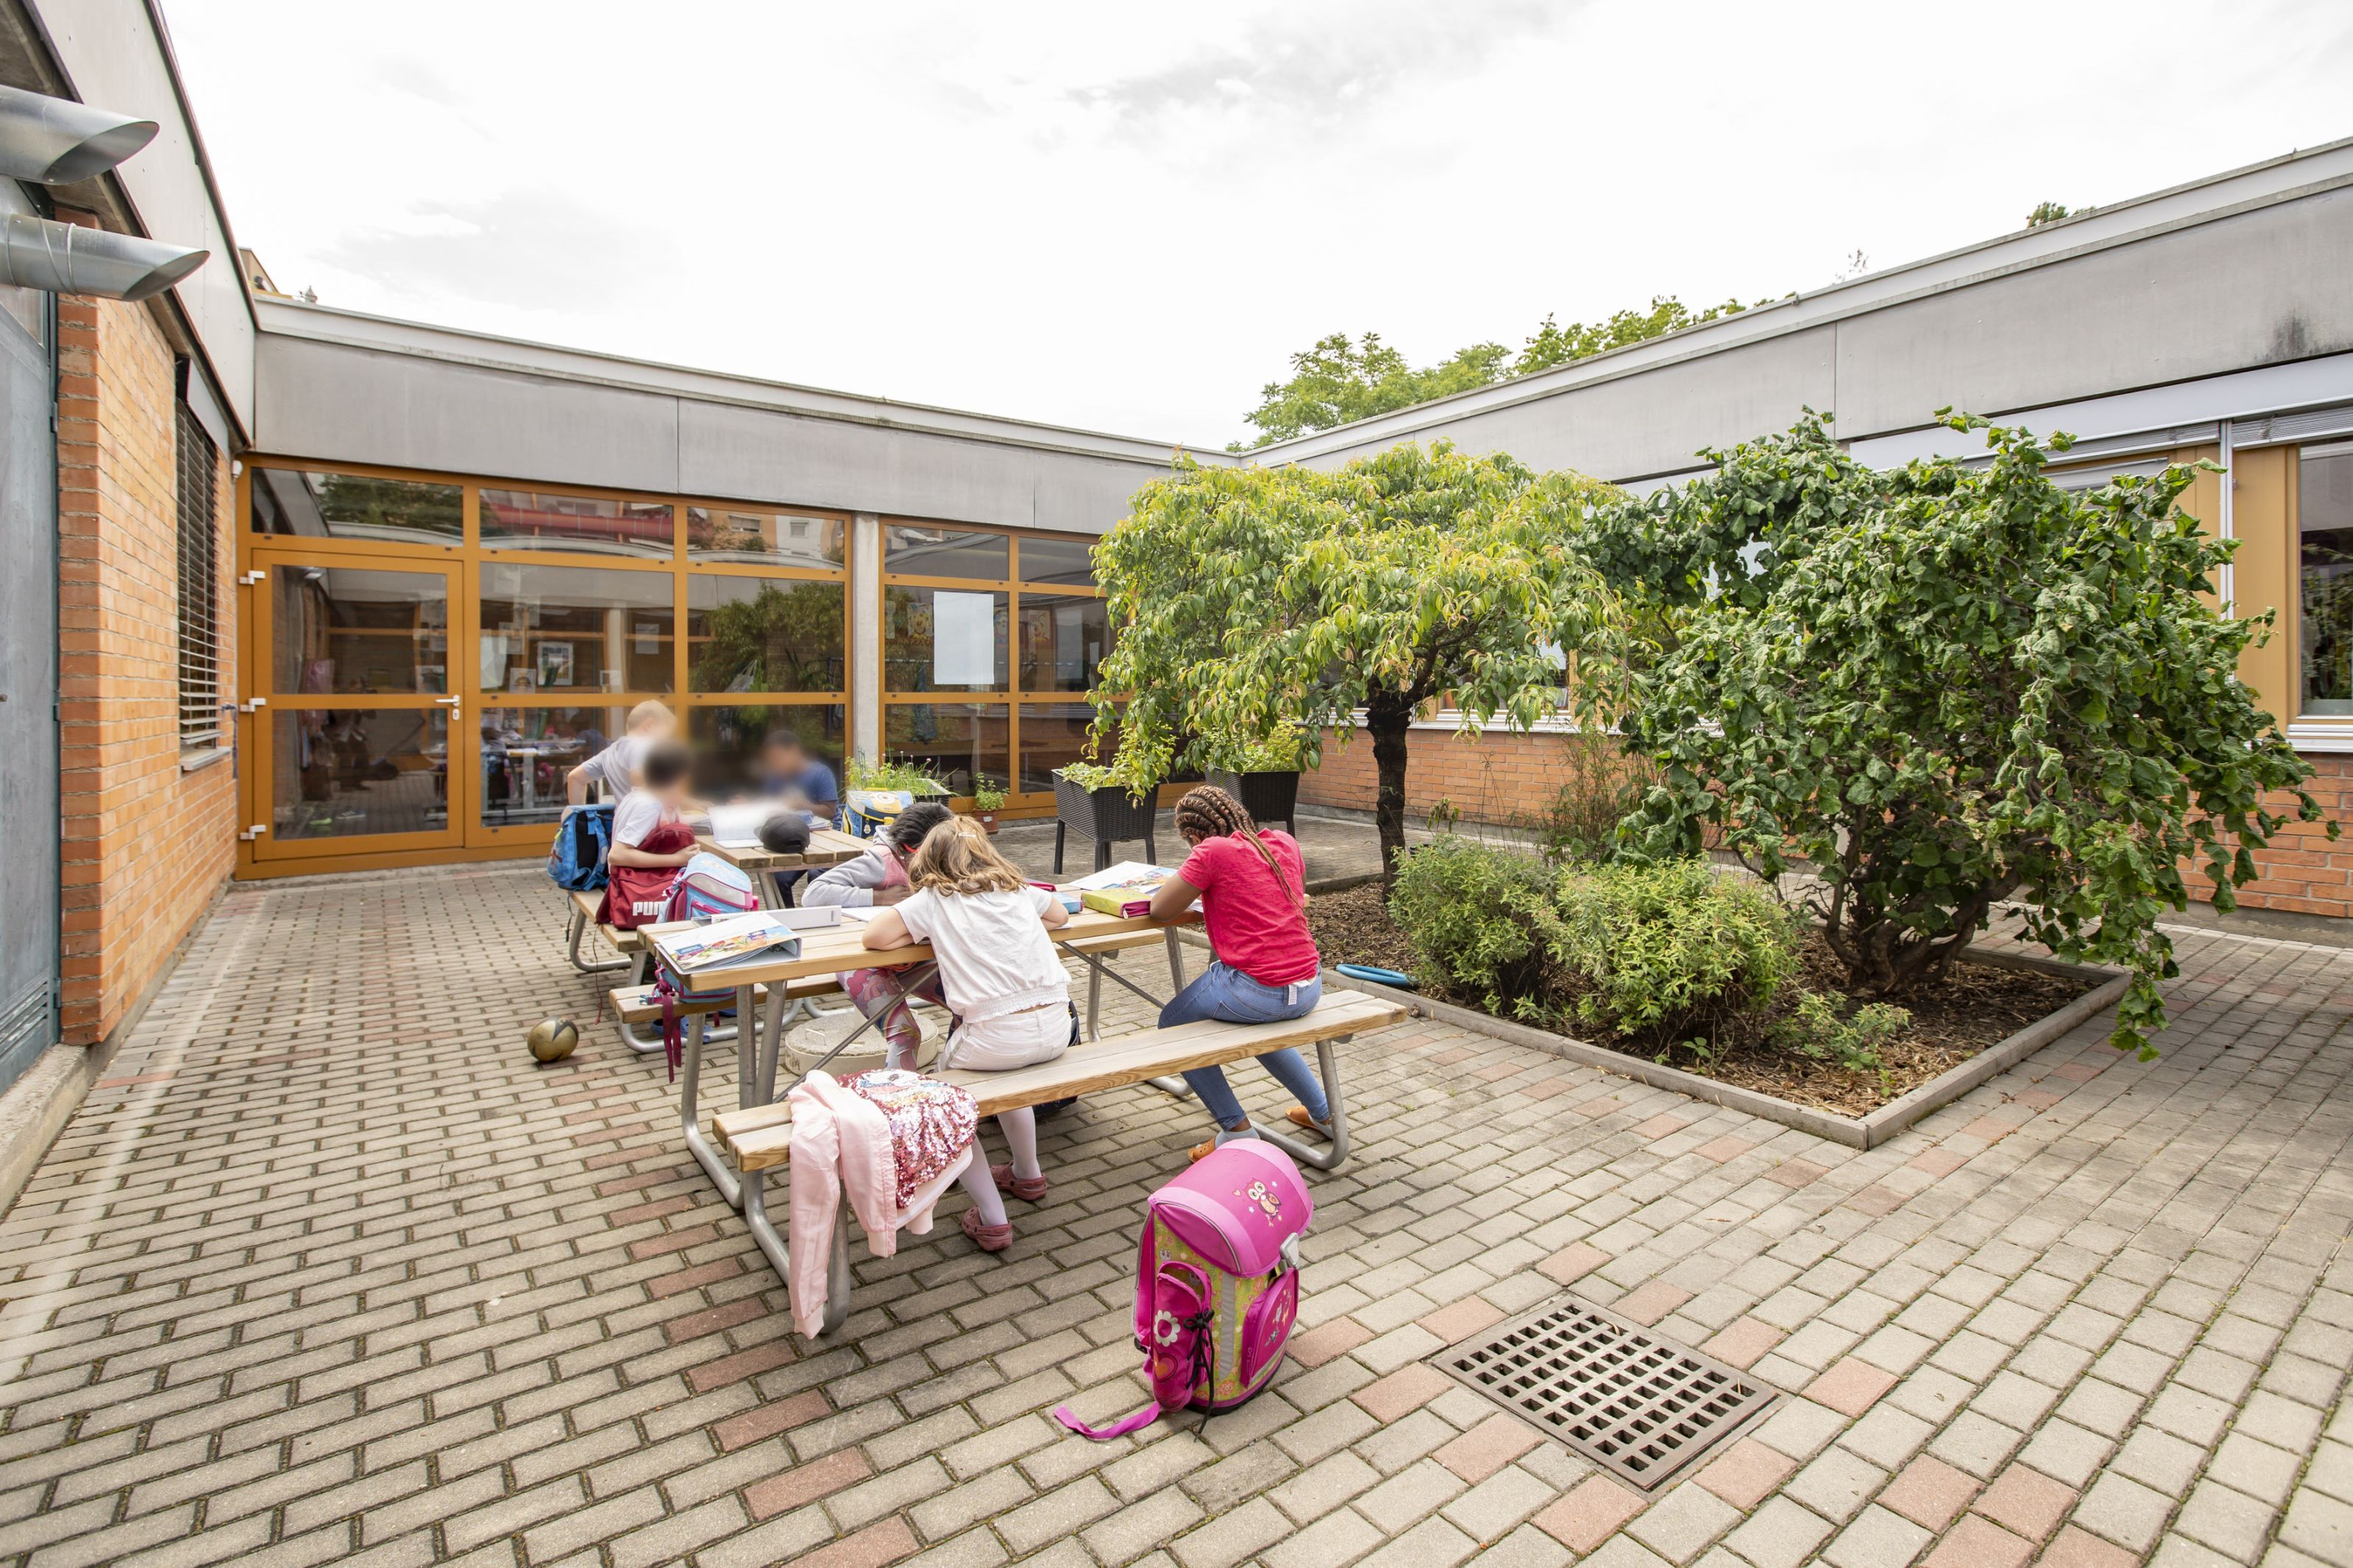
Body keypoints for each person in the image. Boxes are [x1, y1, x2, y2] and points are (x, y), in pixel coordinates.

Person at [860, 817, 1072, 1252]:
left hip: (995, 1038)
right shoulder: (1017, 890)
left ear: (929, 861)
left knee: (951, 1106)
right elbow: (1062, 913)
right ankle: (1027, 1173)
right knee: (1008, 1081)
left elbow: (874, 936)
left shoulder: (936, 900)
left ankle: (994, 1220)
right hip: (1056, 1029)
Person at [1147, 786, 1333, 1161]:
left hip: (1259, 991)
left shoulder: (1212, 851)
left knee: (1172, 1026)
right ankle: (1326, 1115)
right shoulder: (1283, 842)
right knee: (1256, 1026)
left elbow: (1160, 911)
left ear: (1195, 837)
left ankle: (1236, 1132)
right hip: (1309, 986)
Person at [807, 802, 957, 1065]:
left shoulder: (948, 856)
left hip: (915, 959)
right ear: (910, 849)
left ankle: (953, 1086)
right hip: (864, 962)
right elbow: (814, 894)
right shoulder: (880, 861)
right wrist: (877, 896)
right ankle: (900, 1100)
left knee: (967, 1011)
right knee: (905, 1034)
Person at [599, 740, 699, 927]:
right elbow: (617, 854)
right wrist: (676, 860)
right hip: (639, 890)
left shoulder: (641, 796)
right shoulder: (649, 805)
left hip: (642, 885)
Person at [567, 700, 677, 806]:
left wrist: (579, 818)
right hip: (651, 823)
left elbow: (575, 778)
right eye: (666, 735)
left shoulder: (610, 752)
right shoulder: (645, 745)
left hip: (623, 822)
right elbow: (639, 783)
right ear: (650, 725)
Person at [758, 727, 840, 826]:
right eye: (771, 762)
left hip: (823, 833)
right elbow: (769, 804)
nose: (775, 765)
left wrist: (798, 805)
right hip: (788, 830)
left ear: (794, 751)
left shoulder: (820, 773)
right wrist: (749, 805)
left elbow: (830, 812)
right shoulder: (775, 778)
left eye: (778, 759)